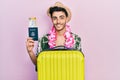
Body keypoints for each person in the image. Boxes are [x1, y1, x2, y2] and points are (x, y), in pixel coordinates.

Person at [26, 2, 82, 66]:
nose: (58, 21)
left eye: (61, 17)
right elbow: (39, 64)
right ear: (52, 20)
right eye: (55, 18)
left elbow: (78, 64)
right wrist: (30, 52)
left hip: (69, 75)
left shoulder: (76, 39)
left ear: (66, 19)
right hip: (50, 75)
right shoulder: (43, 40)